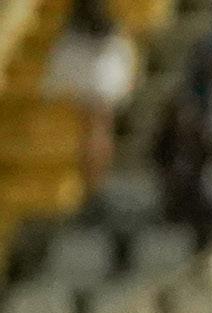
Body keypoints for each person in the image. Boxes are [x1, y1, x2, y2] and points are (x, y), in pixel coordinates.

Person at [42, 0, 135, 194]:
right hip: (102, 87)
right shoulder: (113, 33)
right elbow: (124, 58)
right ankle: (94, 182)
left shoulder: (74, 35)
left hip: (90, 87)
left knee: (93, 134)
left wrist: (51, 88)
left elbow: (61, 64)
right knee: (98, 132)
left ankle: (94, 183)